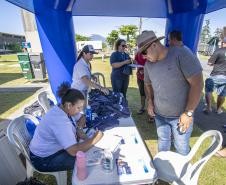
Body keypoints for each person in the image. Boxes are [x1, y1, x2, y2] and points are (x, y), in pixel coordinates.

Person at [137, 30, 203, 155]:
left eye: (144, 52)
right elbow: (147, 83)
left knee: (181, 147)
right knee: (163, 142)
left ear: (154, 45)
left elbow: (198, 84)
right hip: (160, 115)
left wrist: (188, 113)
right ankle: (164, 169)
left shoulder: (181, 54)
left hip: (181, 116)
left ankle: (183, 174)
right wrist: (150, 101)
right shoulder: (148, 65)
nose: (144, 57)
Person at [29, 82, 103, 172]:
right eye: (78, 108)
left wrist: (79, 128)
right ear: (68, 105)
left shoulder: (63, 109)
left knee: (88, 151)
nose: (80, 110)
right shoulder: (60, 121)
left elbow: (82, 117)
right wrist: (95, 138)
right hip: (43, 159)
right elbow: (73, 151)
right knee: (87, 159)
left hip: (53, 150)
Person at [203, 37, 226, 114]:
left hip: (216, 75)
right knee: (222, 93)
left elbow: (209, 63)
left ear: (223, 42)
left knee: (208, 90)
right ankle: (218, 109)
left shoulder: (219, 50)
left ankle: (208, 108)